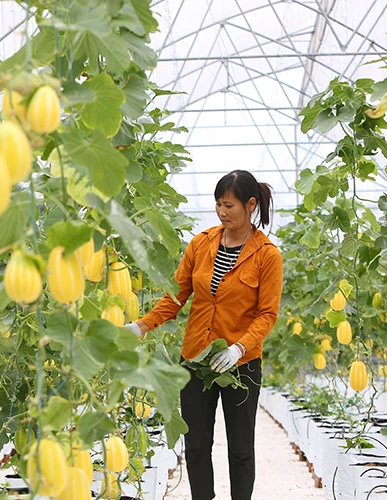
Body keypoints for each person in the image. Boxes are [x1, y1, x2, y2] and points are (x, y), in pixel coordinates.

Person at [124, 170, 283, 500]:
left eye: (229, 205)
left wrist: (239, 349)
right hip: (195, 360)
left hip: (241, 365)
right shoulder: (201, 244)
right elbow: (175, 296)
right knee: (196, 446)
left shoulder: (267, 255)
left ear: (251, 205)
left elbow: (267, 314)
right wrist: (141, 326)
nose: (222, 212)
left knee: (240, 449)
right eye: (218, 205)